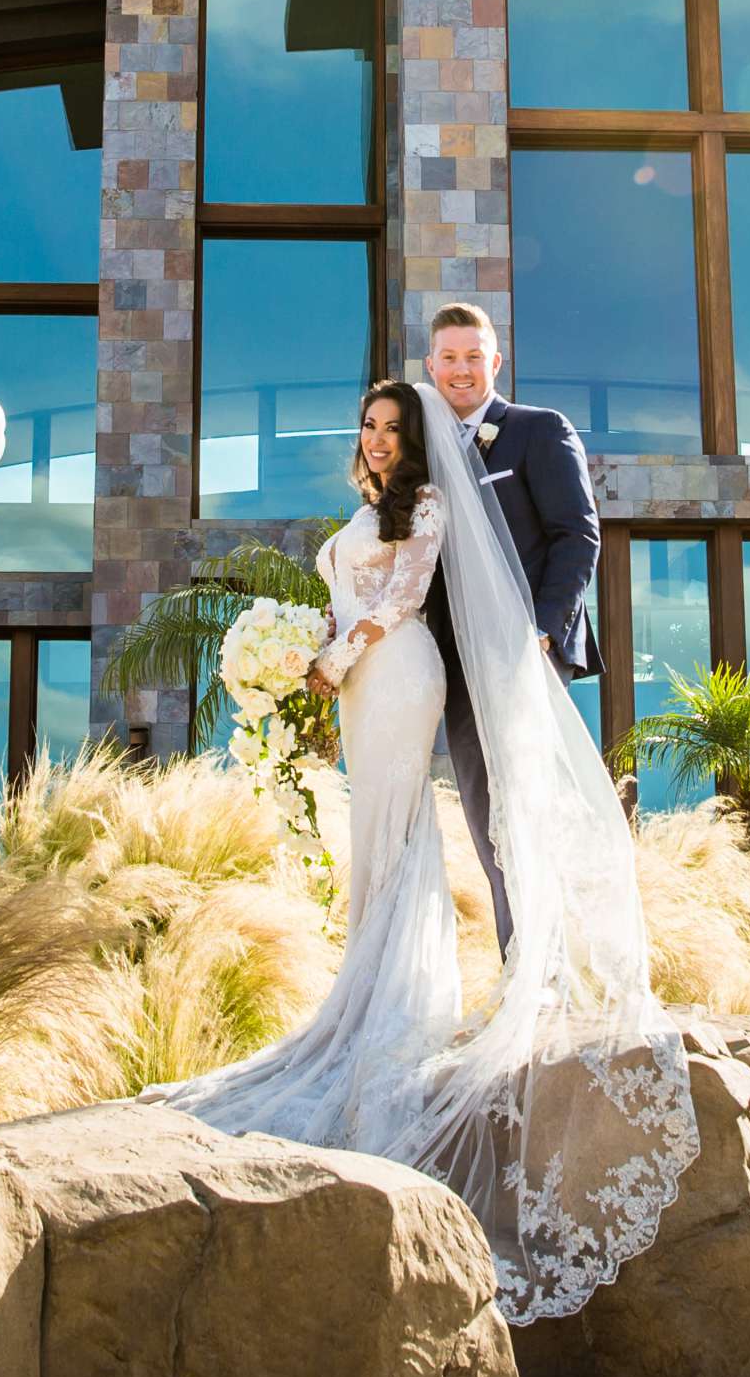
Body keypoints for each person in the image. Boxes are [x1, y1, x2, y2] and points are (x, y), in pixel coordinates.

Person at [139, 376, 698, 1327]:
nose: (381, 438)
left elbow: (400, 597)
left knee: (399, 832)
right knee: (375, 833)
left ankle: (400, 1006)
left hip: (395, 674)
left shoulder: (432, 503)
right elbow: (357, 593)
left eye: (395, 426)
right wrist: (296, 655)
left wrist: (331, 655)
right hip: (360, 681)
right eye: (371, 425)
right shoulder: (367, 502)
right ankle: (371, 991)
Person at [424, 304, 602, 952]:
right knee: (485, 820)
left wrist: (546, 636)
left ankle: (560, 967)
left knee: (530, 812)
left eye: (474, 356)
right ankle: (519, 970)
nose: (462, 370)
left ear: (495, 363)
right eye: (450, 357)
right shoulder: (425, 455)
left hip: (527, 658)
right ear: (430, 365)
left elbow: (576, 536)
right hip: (458, 670)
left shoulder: (538, 431)